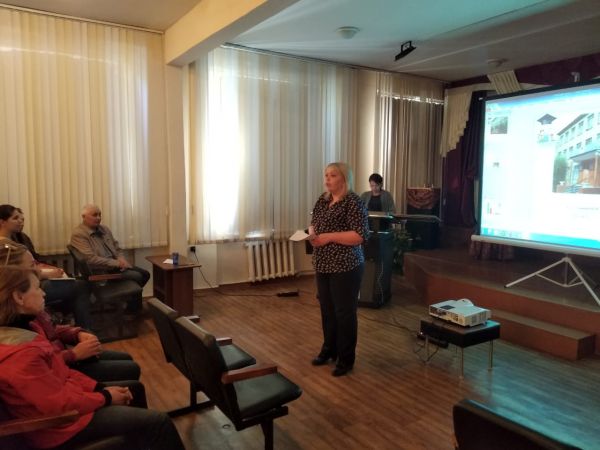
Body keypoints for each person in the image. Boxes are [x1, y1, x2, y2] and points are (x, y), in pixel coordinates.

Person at [0, 266, 184, 450]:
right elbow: (59, 404)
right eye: (37, 287)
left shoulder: (29, 328)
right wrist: (105, 397)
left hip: (67, 407)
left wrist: (99, 387)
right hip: (60, 427)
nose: (43, 293)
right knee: (159, 422)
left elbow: (63, 374)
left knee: (134, 389)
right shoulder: (21, 355)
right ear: (19, 297)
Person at [0, 243, 140, 382]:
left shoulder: (28, 311)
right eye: (32, 265)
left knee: (127, 359)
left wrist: (77, 333)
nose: (38, 269)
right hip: (65, 369)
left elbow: (51, 330)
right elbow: (46, 365)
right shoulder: (18, 330)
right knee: (131, 369)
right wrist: (73, 355)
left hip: (64, 356)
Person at [308, 162, 369, 377]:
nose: (327, 179)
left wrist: (328, 237)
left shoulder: (353, 202)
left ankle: (345, 359)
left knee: (344, 313)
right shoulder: (323, 200)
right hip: (323, 263)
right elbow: (314, 223)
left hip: (346, 266)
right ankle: (329, 350)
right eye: (326, 175)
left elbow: (359, 235)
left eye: (333, 175)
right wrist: (312, 234)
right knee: (327, 310)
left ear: (344, 178)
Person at [0, 204, 93, 328]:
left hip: (34, 282)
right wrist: (47, 274)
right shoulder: (5, 248)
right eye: (15, 218)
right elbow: (17, 275)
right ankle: (84, 329)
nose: (20, 221)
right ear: (2, 222)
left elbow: (34, 263)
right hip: (26, 289)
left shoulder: (18, 239)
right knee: (81, 286)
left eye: (21, 218)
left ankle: (65, 326)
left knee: (73, 285)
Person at [70, 204, 150, 313]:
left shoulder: (105, 229)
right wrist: (117, 263)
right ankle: (132, 309)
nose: (98, 217)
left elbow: (117, 247)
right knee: (137, 276)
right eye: (94, 215)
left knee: (145, 274)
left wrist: (121, 258)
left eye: (100, 214)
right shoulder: (79, 234)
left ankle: (130, 305)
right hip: (103, 272)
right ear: (83, 217)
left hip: (115, 266)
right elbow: (90, 259)